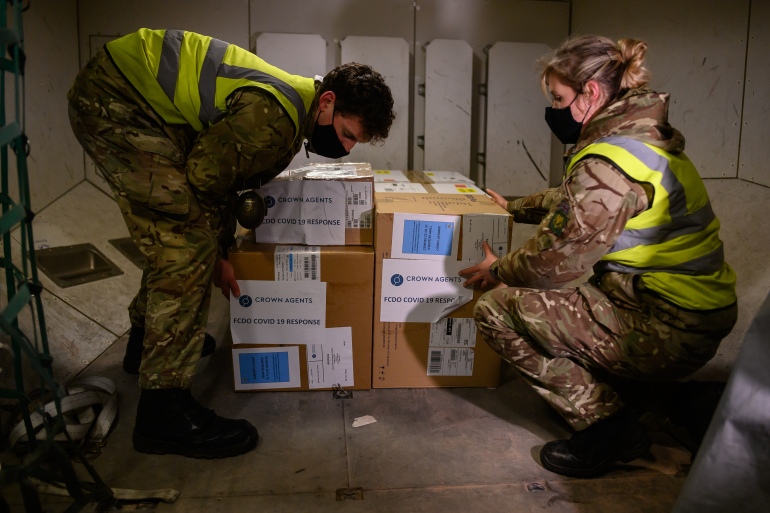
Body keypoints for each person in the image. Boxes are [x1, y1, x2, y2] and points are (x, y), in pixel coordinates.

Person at [67, 28, 395, 459]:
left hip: (135, 96)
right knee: (184, 248)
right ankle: (163, 411)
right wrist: (218, 254)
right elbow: (205, 181)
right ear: (328, 101)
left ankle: (145, 344)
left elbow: (218, 178)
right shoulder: (275, 118)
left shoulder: (295, 107)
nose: (347, 148)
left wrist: (220, 244)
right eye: (349, 134)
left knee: (179, 232)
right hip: (118, 103)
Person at [459, 34, 737, 478]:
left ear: (590, 94)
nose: (553, 109)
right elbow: (571, 201)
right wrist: (511, 206)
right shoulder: (640, 140)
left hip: (668, 323)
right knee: (579, 306)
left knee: (497, 308)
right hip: (693, 312)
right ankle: (682, 406)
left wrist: (500, 269)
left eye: (558, 98)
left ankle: (610, 431)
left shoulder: (608, 161)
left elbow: (552, 264)